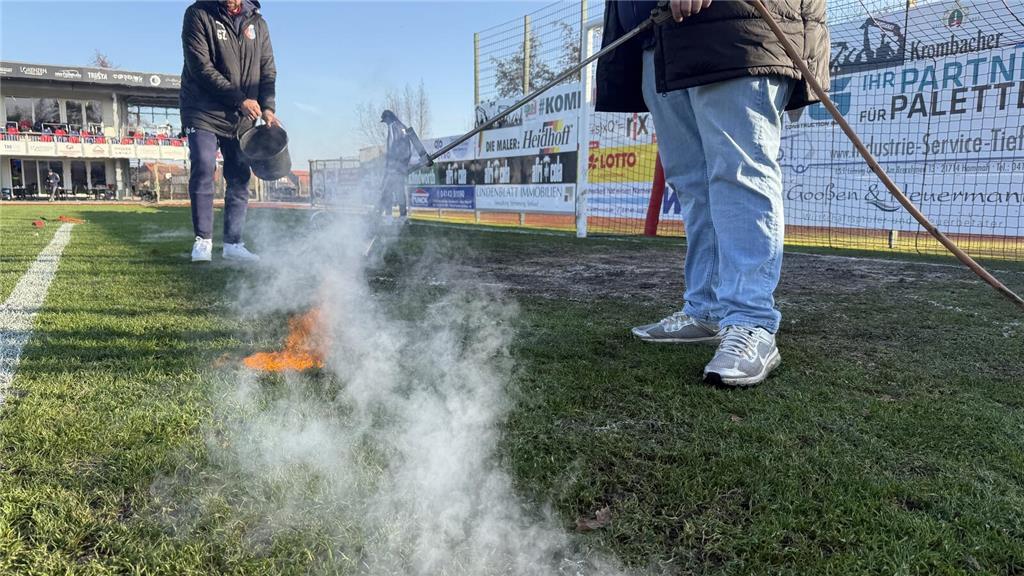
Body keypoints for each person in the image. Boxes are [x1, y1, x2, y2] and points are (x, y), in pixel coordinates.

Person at [596, 0, 829, 387]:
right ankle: (705, 309)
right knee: (692, 182)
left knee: (739, 172)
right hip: (660, 41)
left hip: (734, 28)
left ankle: (750, 320)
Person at [179, 0, 278, 263]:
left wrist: (267, 107)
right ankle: (203, 241)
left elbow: (267, 69)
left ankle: (234, 243)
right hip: (203, 109)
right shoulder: (198, 14)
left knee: (239, 176)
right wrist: (239, 99)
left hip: (241, 115)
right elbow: (201, 67)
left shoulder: (258, 23)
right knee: (203, 164)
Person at [378, 109, 413, 225]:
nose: (386, 123)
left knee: (387, 192)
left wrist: (390, 165)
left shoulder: (393, 127)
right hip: (402, 166)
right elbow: (408, 149)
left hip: (394, 166)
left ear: (388, 118)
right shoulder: (402, 126)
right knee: (400, 192)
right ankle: (403, 217)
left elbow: (392, 146)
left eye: (385, 121)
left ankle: (388, 218)